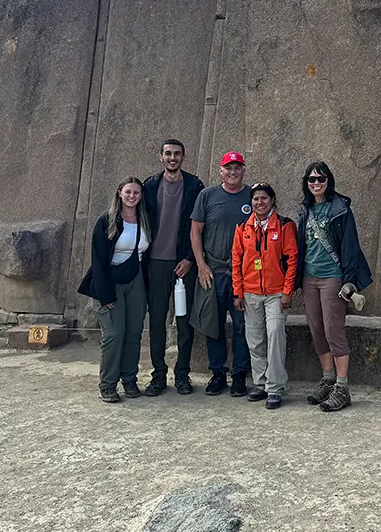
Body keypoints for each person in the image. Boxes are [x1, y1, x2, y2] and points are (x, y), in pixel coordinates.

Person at [297, 161, 373, 412]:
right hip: (309, 277)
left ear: (329, 182)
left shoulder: (340, 209)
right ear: (306, 183)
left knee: (333, 329)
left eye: (321, 179)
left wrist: (348, 279)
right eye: (311, 180)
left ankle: (342, 386)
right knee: (317, 328)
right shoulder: (305, 210)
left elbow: (350, 246)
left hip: (332, 276)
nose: (316, 183)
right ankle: (327, 378)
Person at [141, 139, 205, 397]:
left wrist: (190, 258)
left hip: (183, 265)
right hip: (155, 264)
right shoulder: (149, 186)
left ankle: (182, 374)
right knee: (157, 321)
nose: (172, 158)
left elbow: (200, 227)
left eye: (177, 154)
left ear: (183, 157)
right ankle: (158, 375)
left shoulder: (195, 186)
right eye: (168, 154)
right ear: (161, 157)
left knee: (184, 322)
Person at [81, 176, 151, 403]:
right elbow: (99, 259)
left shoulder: (144, 220)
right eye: (128, 192)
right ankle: (108, 383)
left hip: (136, 279)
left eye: (136, 193)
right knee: (114, 333)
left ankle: (129, 378)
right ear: (119, 193)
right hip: (110, 279)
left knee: (133, 332)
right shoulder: (107, 220)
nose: (132, 197)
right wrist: (105, 294)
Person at [190, 151, 253, 396]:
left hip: (242, 274)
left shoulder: (253, 196)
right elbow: (195, 232)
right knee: (212, 324)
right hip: (213, 271)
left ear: (243, 171)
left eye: (237, 168)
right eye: (229, 168)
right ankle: (217, 373)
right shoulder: (207, 196)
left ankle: (239, 375)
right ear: (221, 170)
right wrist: (201, 265)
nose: (233, 172)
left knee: (241, 326)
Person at [231, 183, 298, 410]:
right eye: (256, 199)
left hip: (276, 293)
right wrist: (237, 292)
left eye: (264, 198)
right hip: (250, 292)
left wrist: (288, 291)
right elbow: (237, 261)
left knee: (276, 335)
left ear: (272, 200)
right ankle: (260, 383)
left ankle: (275, 387)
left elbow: (292, 260)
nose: (260, 203)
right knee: (255, 339)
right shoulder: (243, 227)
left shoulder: (285, 225)